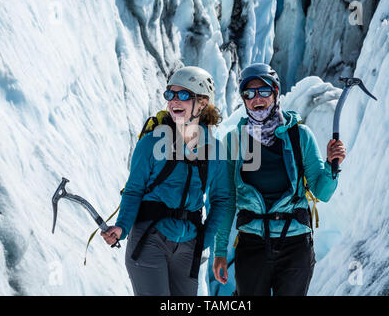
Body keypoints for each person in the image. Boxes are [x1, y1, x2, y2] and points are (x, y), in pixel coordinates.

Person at [212, 63, 346, 296]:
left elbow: (322, 192)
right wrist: (220, 251)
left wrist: (331, 166)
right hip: (252, 244)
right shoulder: (234, 141)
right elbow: (227, 200)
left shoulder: (300, 136)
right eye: (249, 93)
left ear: (275, 92)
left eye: (263, 91)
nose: (257, 99)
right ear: (244, 99)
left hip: (295, 245)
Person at [101, 66, 233, 296]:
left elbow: (221, 199)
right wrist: (121, 227)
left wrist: (206, 239)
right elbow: (133, 191)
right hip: (149, 239)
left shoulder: (215, 151)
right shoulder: (151, 144)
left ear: (202, 103)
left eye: (183, 95)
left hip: (189, 245)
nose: (174, 101)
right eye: (170, 94)